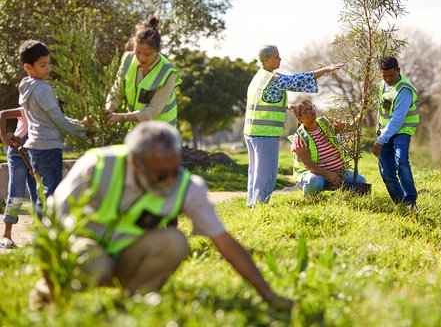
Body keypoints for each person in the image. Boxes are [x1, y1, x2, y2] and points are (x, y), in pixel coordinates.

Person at [30, 121, 292, 311]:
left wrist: (267, 294)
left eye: (174, 170)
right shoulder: (97, 165)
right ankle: (50, 295)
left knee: (174, 241)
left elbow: (224, 242)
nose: (169, 181)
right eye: (159, 174)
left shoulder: (187, 185)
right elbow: (51, 225)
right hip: (87, 252)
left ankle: (132, 306)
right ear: (135, 162)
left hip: (129, 257)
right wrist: (48, 279)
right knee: (94, 263)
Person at [243, 44, 344, 207]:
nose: (280, 59)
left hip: (251, 132)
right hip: (265, 134)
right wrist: (325, 70)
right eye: (276, 57)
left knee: (255, 172)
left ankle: (252, 203)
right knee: (267, 173)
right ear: (266, 60)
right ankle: (260, 206)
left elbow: (267, 99)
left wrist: (288, 105)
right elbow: (297, 81)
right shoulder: (273, 79)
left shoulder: (260, 77)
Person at [18, 40, 86, 218]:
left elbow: (54, 118)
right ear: (28, 67)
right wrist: (84, 130)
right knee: (54, 194)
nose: (48, 68)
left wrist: (79, 123)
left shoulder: (27, 87)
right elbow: (59, 121)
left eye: (49, 64)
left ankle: (42, 234)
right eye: (42, 65)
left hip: (34, 147)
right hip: (48, 147)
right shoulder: (43, 89)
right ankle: (52, 235)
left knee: (43, 193)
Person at [106, 16, 181, 127]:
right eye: (137, 52)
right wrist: (108, 110)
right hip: (136, 128)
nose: (141, 58)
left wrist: (122, 117)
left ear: (157, 50)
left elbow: (152, 112)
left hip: (162, 132)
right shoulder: (127, 59)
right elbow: (117, 90)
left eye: (147, 54)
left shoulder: (167, 73)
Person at [289, 101, 368, 196]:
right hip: (315, 175)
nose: (312, 111)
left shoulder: (326, 123)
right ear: (299, 117)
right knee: (313, 182)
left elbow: (352, 126)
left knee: (361, 181)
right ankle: (310, 202)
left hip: (338, 173)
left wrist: (363, 110)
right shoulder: (300, 136)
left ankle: (337, 196)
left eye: (312, 107)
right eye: (307, 110)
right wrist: (329, 174)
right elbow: (308, 163)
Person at [372, 56, 419, 207]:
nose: (388, 79)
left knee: (401, 162)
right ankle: (402, 205)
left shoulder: (404, 90)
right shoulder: (382, 85)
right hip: (385, 131)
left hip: (402, 130)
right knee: (386, 172)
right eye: (384, 76)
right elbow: (384, 109)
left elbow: (397, 120)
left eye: (391, 75)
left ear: (398, 70)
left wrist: (380, 140)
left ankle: (411, 201)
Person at [0, 107, 37, 248]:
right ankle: (6, 235)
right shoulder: (27, 108)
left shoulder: (48, 111)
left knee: (38, 194)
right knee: (17, 191)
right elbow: (2, 113)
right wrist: (3, 135)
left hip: (36, 155)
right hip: (17, 153)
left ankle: (40, 234)